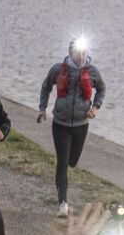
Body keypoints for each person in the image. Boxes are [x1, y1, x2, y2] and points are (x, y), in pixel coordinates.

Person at [37, 37, 107, 216]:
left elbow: (102, 89)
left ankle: (65, 171)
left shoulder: (92, 71)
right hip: (60, 123)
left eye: (83, 52)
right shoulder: (58, 69)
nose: (80, 55)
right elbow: (46, 87)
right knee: (62, 162)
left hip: (81, 124)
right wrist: (42, 109)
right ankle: (63, 203)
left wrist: (95, 107)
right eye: (77, 52)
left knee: (72, 161)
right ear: (70, 52)